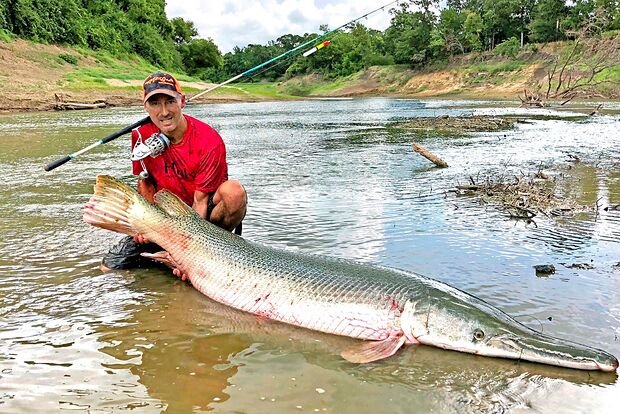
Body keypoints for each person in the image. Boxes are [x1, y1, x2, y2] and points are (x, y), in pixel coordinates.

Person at [101, 71, 247, 275]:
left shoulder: (208, 141)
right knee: (108, 268)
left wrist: (188, 254)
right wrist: (145, 226)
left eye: (170, 101)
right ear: (146, 107)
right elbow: (144, 182)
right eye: (155, 104)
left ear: (182, 102)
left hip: (202, 216)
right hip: (166, 215)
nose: (164, 112)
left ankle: (215, 250)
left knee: (234, 192)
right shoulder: (140, 136)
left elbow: (201, 201)